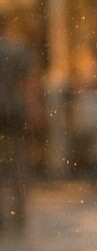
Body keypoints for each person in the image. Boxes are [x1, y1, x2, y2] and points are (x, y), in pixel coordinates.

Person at [0, 12, 42, 233]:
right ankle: (19, 216)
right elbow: (29, 85)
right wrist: (34, 111)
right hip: (15, 115)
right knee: (18, 166)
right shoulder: (18, 50)